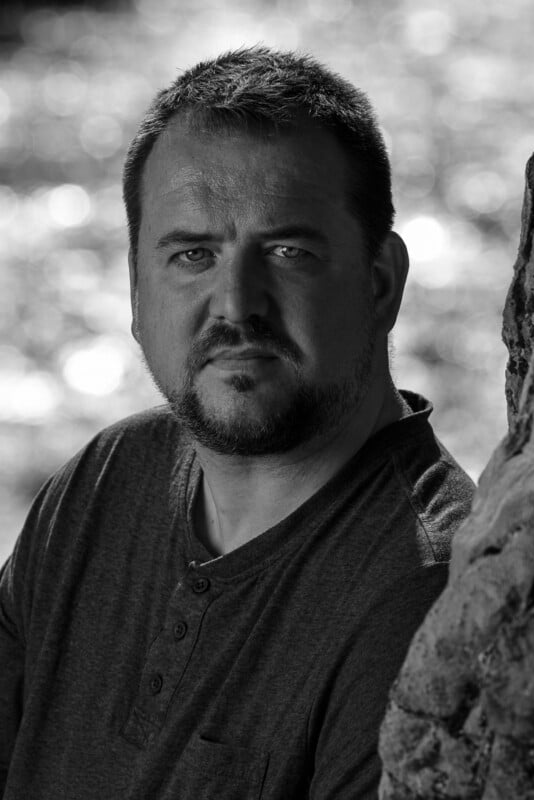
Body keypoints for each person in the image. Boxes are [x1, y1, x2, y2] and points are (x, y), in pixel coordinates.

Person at [0, 46, 474, 799]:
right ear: (134, 293)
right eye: (192, 255)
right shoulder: (105, 477)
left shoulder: (424, 597)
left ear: (381, 282)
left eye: (287, 251)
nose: (235, 304)